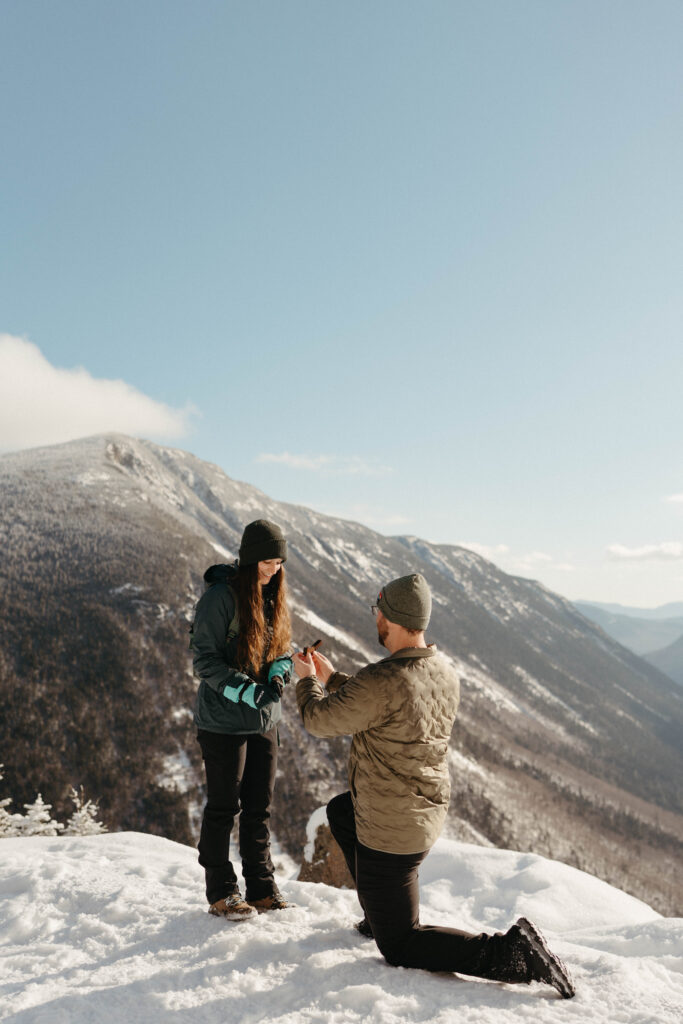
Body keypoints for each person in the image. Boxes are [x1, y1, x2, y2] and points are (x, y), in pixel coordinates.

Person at [293, 573, 575, 998]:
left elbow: (320, 719)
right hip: (420, 813)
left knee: (401, 944)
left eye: (379, 613)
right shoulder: (440, 670)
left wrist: (306, 680)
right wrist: (334, 679)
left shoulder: (383, 680)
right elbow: (386, 703)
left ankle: (512, 953)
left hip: (391, 833)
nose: (376, 621)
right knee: (340, 811)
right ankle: (378, 912)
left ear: (393, 618)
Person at [191, 519, 294, 919]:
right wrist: (248, 690)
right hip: (222, 722)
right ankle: (221, 891)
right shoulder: (220, 599)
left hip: (264, 722)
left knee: (258, 808)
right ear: (250, 560)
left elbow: (282, 648)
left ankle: (262, 888)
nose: (274, 569)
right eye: (267, 561)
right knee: (223, 808)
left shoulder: (274, 597)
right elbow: (205, 661)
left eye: (279, 562)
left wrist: (279, 673)